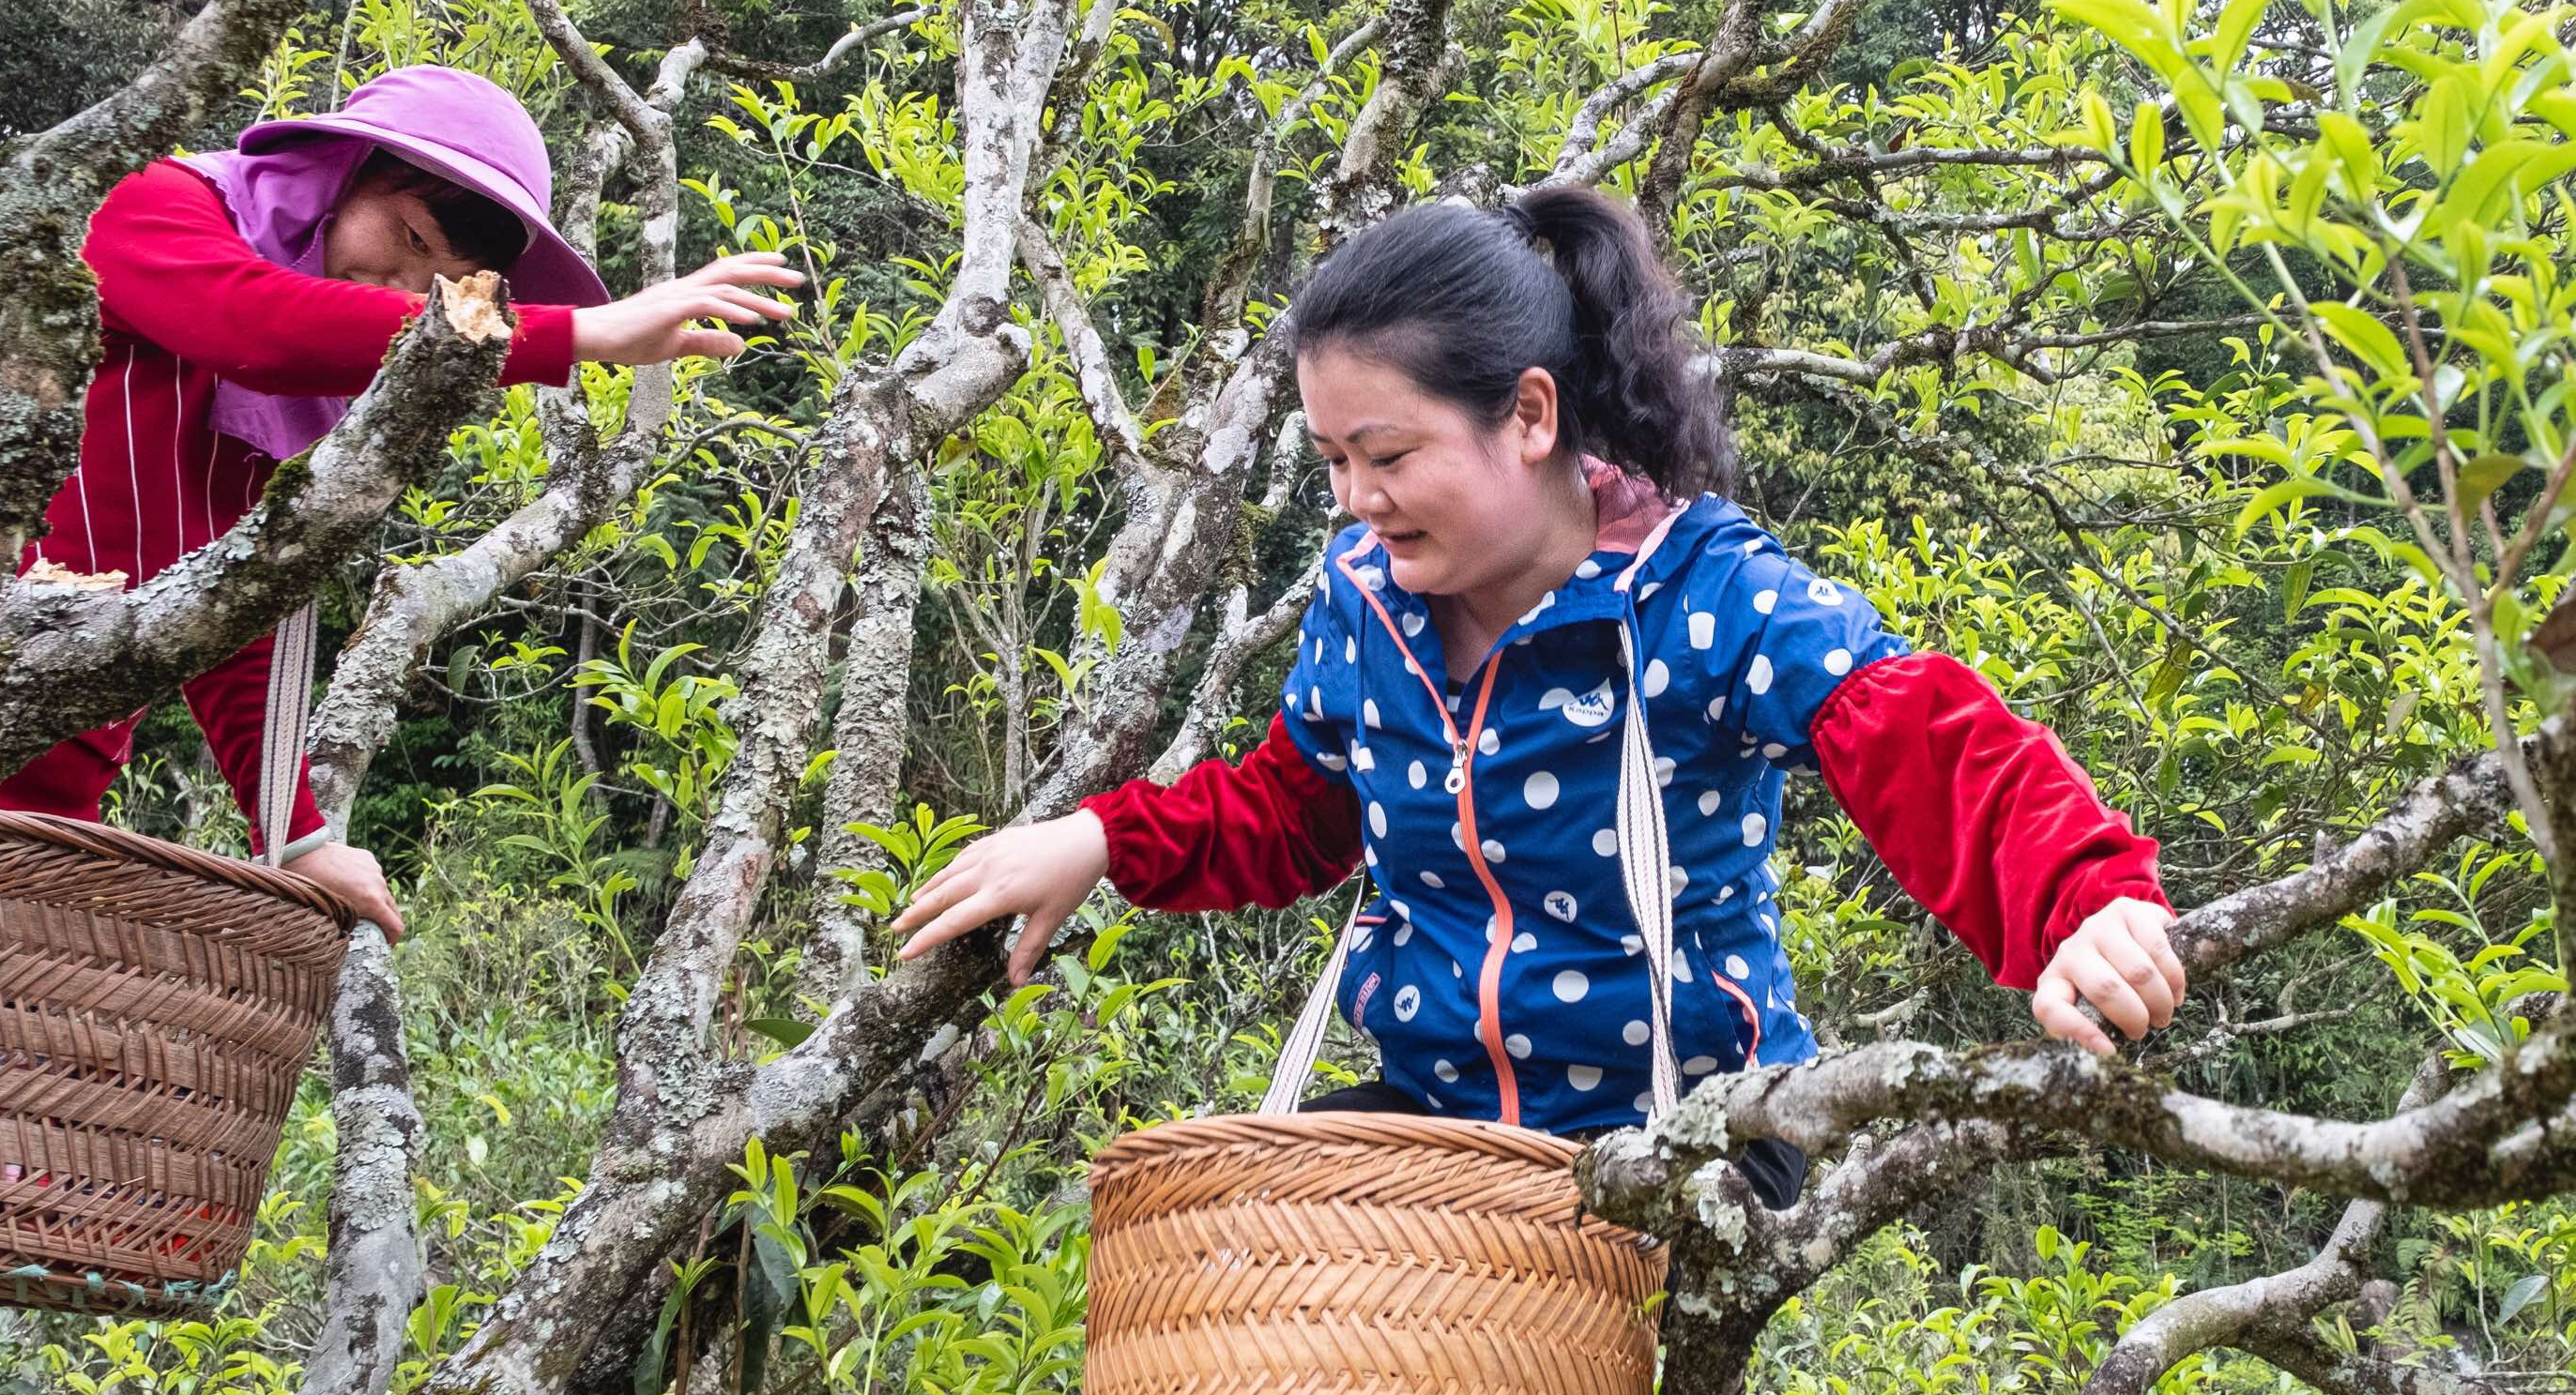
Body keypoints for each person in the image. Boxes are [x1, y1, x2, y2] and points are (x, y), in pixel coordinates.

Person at [0, 64, 801, 1395]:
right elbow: (246, 315)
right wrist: (571, 338)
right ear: (346, 174)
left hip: (11, 812)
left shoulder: (278, 431)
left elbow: (229, 631)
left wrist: (300, 833)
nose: (425, 287)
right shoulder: (161, 215)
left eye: (457, 274)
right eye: (414, 241)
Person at [897, 186, 2186, 1201]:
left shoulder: (1702, 594)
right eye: (1335, 458)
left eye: (1389, 454)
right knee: (1243, 1281)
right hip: (1442, 1120)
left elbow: (1922, 737)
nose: (1354, 498)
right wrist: (1101, 838)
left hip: (1688, 1133)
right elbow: (1298, 805)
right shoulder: (1365, 598)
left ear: (1526, 414)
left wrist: (2085, 902)